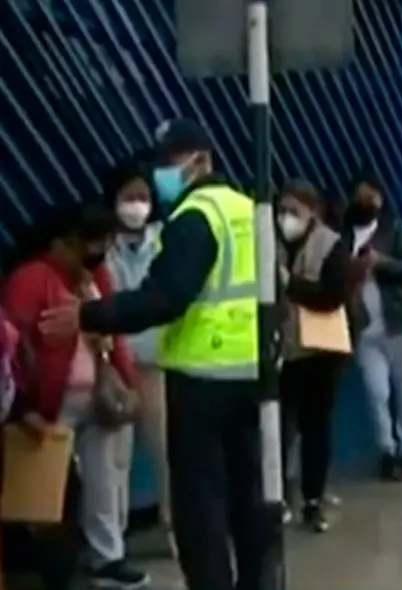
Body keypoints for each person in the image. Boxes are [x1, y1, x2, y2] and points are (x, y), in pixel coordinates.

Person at [37, 119, 269, 590]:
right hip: (253, 377)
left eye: (171, 160)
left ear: (201, 160)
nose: (163, 172)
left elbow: (165, 297)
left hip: (201, 380)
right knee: (250, 497)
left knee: (199, 504)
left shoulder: (195, 217)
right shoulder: (249, 211)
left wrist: (88, 315)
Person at [2, 203, 148, 588]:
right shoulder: (31, 279)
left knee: (104, 481)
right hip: (51, 402)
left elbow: (115, 332)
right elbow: (16, 350)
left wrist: (130, 382)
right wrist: (25, 406)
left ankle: (107, 558)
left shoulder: (95, 276)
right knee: (51, 488)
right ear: (61, 243)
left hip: (97, 395)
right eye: (89, 243)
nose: (96, 252)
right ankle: (54, 567)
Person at [101, 156, 174, 546]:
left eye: (143, 197)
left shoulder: (166, 239)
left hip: (158, 364)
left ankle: (175, 529)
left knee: (168, 453)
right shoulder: (102, 246)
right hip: (116, 366)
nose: (136, 205)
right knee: (116, 459)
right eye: (128, 197)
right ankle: (115, 539)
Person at [275, 179, 352, 531]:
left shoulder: (330, 244)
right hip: (281, 348)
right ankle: (277, 498)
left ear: (312, 212)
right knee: (276, 427)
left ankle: (312, 499)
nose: (286, 218)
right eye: (282, 210)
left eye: (294, 211)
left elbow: (332, 295)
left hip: (319, 352)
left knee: (315, 427)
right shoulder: (270, 243)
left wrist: (290, 284)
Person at [343, 172, 402, 482]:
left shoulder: (395, 230)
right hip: (365, 330)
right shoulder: (344, 236)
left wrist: (381, 262)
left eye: (372, 196)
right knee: (376, 393)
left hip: (400, 323)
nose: (366, 202)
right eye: (360, 196)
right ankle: (387, 451)